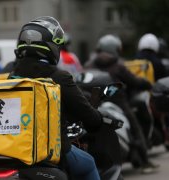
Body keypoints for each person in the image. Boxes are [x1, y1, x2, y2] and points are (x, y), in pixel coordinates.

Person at [11, 16, 102, 180]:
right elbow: (88, 115)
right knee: (88, 164)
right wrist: (97, 118)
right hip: (49, 151)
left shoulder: (12, 77)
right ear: (51, 46)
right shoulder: (59, 77)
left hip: (13, 150)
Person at [89, 34, 159, 173]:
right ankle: (144, 161)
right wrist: (148, 84)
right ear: (115, 48)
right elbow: (134, 81)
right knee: (135, 126)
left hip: (95, 102)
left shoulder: (90, 64)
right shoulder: (117, 66)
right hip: (117, 101)